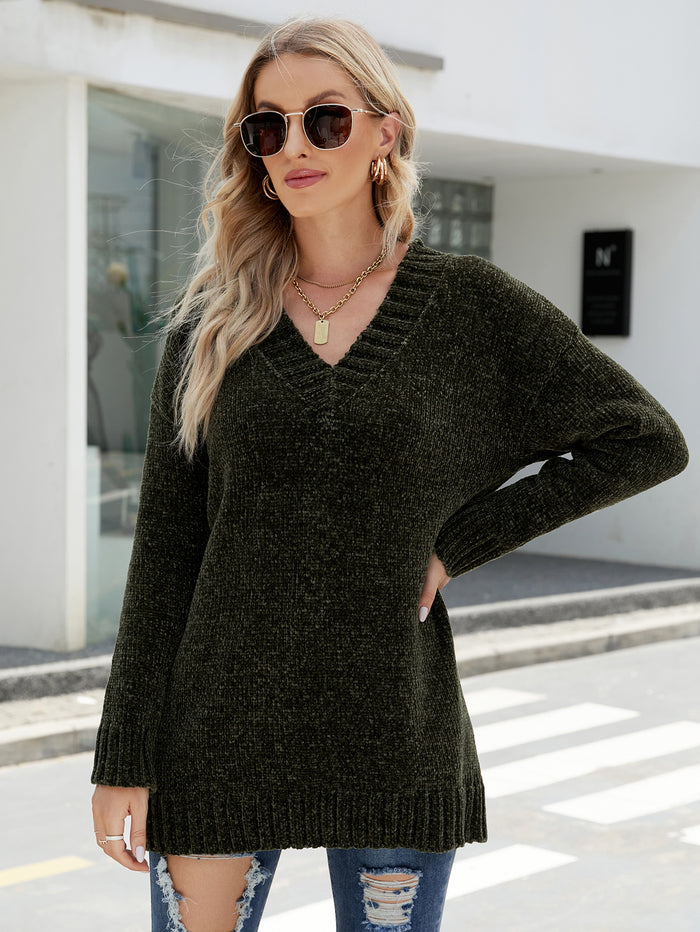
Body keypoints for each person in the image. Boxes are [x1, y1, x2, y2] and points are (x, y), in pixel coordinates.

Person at [90, 14, 689, 932]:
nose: (294, 145)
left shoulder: (469, 308)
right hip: (216, 734)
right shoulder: (211, 327)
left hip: (393, 732)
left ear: (385, 131)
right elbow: (166, 553)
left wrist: (455, 546)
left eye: (325, 119)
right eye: (268, 126)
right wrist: (122, 755)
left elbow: (643, 438)